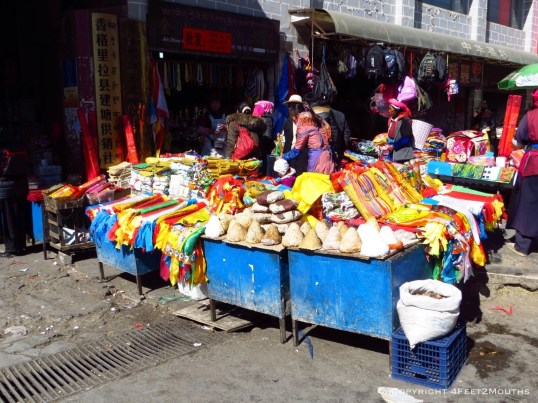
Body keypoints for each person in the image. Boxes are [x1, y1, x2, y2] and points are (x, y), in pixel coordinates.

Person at [505, 90, 538, 257]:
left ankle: (522, 246)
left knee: (528, 203)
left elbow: (519, 140)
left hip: (534, 163)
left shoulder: (531, 116)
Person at [280, 101, 335, 174]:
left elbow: (296, 150)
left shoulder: (304, 124)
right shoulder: (318, 120)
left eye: (293, 120)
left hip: (318, 159)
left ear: (298, 115)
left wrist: (283, 157)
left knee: (314, 181)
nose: (294, 122)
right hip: (328, 156)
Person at [305, 92, 351, 170]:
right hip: (337, 151)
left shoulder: (320, 115)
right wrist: (341, 149)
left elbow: (333, 133)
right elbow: (346, 133)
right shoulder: (340, 114)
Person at [0, 144, 29, 257]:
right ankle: (21, 245)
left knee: (9, 220)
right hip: (21, 186)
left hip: (5, 188)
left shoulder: (3, 151)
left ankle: (11, 249)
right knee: (19, 216)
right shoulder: (20, 148)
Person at [280, 94, 308, 175]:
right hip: (290, 153)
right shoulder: (287, 122)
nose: (291, 108)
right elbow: (286, 140)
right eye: (290, 106)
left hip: (302, 155)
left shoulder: (305, 122)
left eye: (294, 106)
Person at [387, 98, 415, 163]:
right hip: (392, 152)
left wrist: (394, 146)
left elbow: (406, 138)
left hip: (402, 155)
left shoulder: (404, 121)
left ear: (396, 109)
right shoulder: (391, 120)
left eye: (390, 109)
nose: (389, 111)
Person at [252, 100, 275, 175]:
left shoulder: (258, 120)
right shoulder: (268, 120)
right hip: (263, 147)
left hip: (258, 147)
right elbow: (268, 135)